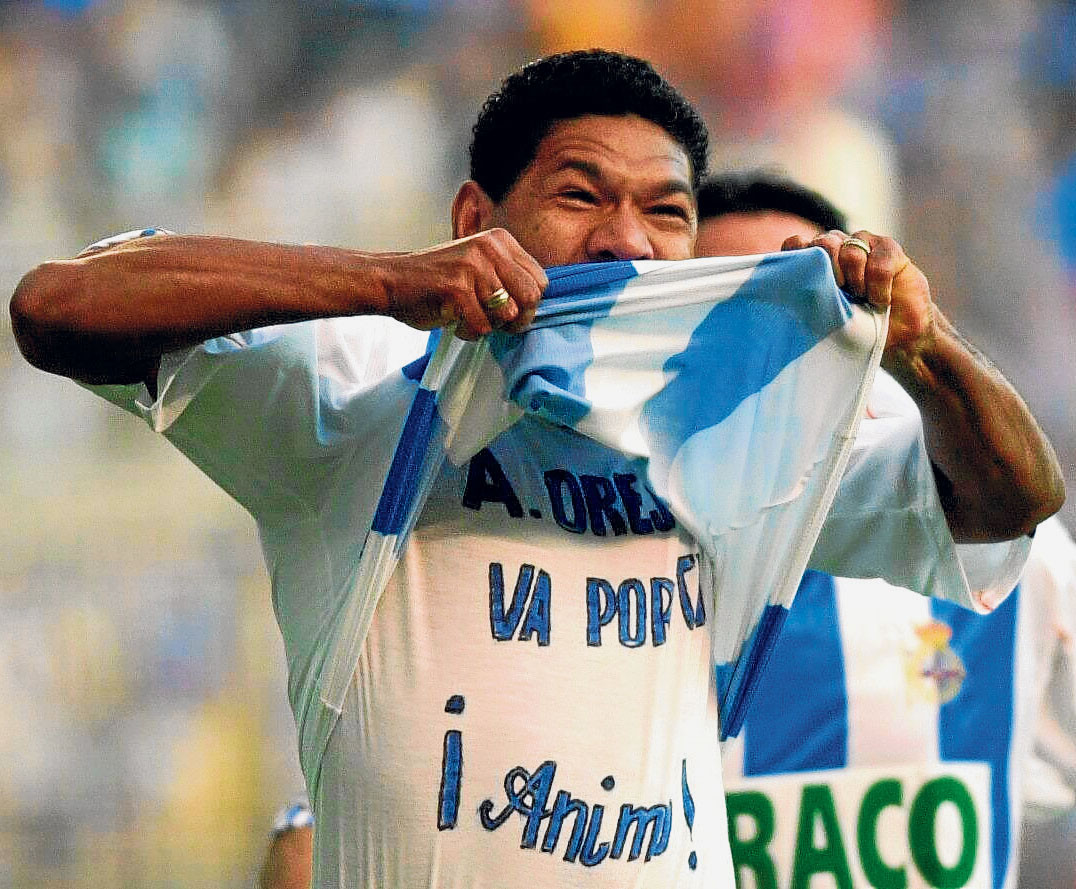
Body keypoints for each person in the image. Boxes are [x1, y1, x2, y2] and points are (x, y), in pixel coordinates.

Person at [8, 50, 1064, 889]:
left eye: (664, 213)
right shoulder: (366, 379)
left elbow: (1009, 502)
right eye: (579, 195)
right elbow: (54, 307)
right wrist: (385, 278)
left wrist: (923, 351)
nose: (626, 244)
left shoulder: (737, 429)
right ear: (475, 219)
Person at [697, 171, 1076, 889]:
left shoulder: (1019, 567)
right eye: (723, 319)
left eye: (799, 313)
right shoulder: (612, 586)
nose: (764, 359)